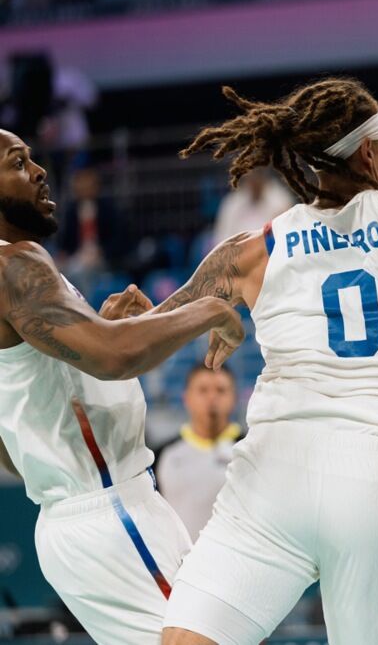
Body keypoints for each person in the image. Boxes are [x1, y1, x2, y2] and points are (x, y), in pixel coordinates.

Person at [158, 0, 378, 643]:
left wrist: (181, 315)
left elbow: (150, 332)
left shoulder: (252, 249)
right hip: (376, 474)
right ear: (370, 151)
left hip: (271, 467)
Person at [0, 128, 245, 644]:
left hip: (101, 514)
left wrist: (99, 334)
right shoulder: (14, 264)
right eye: (18, 163)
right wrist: (207, 309)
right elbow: (116, 356)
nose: (39, 172)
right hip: (110, 511)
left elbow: (14, 447)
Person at [153, 363, 242, 541]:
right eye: (203, 390)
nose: (212, 397)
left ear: (234, 398)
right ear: (186, 398)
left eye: (221, 390)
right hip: (178, 557)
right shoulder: (162, 455)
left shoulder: (250, 452)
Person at [212, 167, 294, 246]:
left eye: (258, 173)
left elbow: (287, 237)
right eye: (250, 175)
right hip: (240, 252)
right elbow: (222, 239)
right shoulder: (232, 204)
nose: (254, 179)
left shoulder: (281, 201)